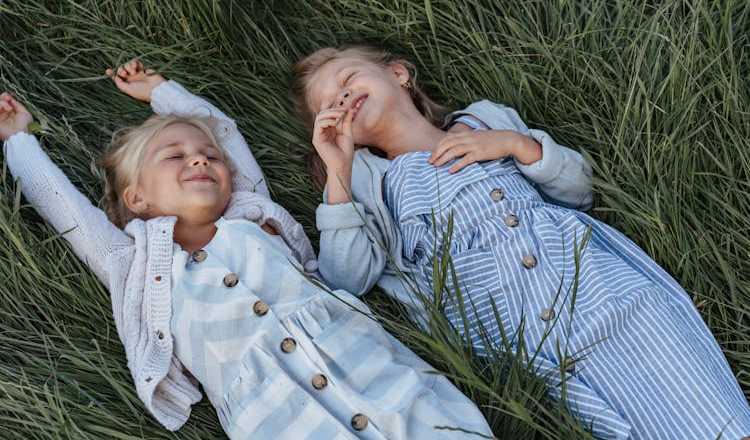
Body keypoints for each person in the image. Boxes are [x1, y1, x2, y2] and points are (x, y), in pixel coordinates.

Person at [0, 60, 493, 439]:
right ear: (137, 199)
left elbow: (226, 132)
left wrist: (162, 93)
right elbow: (63, 209)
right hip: (274, 413)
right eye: (175, 156)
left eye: (208, 156)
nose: (199, 157)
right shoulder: (132, 262)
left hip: (365, 362)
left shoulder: (251, 210)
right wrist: (18, 140)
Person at [290, 44, 750, 439]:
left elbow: (581, 190)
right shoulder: (370, 184)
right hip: (509, 333)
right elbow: (345, 277)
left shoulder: (484, 120)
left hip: (590, 282)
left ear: (399, 74)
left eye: (348, 79)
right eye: (328, 103)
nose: (342, 96)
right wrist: (338, 170)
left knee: (693, 393)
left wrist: (515, 144)